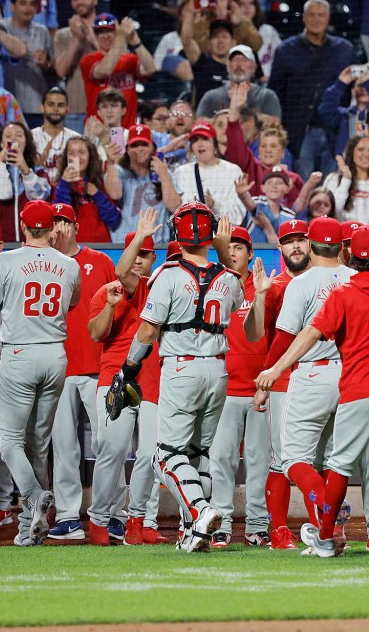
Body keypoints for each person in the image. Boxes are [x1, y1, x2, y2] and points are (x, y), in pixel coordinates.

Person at [255, 202, 369, 560]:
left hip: (337, 379)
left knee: (307, 461)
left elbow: (303, 336)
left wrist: (274, 371)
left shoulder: (333, 290)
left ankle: (327, 532)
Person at [0, 200, 81, 546]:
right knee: (36, 445)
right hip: (55, 355)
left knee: (8, 442)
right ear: (52, 228)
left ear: (24, 227)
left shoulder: (4, 260)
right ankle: (28, 529)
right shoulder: (69, 265)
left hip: (20, 355)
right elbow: (72, 304)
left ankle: (35, 496)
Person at [121, 202, 243, 552]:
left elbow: (147, 330)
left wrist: (129, 367)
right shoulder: (228, 277)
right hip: (218, 369)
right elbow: (234, 303)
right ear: (210, 235)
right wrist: (223, 254)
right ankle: (195, 533)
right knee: (198, 454)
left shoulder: (168, 273)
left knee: (166, 455)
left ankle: (201, 511)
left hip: (181, 366)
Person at [86, 212, 166, 546]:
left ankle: (140, 521)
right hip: (114, 378)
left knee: (150, 454)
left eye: (146, 254)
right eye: (137, 252)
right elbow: (95, 334)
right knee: (113, 450)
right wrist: (108, 306)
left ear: (153, 259)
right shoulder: (110, 289)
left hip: (151, 379)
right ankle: (99, 520)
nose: (139, 261)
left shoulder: (156, 288)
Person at [46, 203, 118, 542]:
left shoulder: (100, 261)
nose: (60, 228)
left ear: (77, 227)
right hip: (57, 368)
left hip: (97, 368)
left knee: (110, 443)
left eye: (65, 222)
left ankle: (112, 514)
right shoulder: (42, 265)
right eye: (54, 222)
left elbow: (117, 311)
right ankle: (67, 516)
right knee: (63, 447)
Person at [243, 218, 312, 549]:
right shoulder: (276, 286)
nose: (296, 245)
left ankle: (323, 525)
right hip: (285, 380)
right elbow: (256, 334)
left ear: (311, 244)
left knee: (324, 456)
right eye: (290, 240)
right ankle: (280, 530)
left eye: (302, 239)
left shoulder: (324, 280)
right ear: (280, 248)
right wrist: (259, 297)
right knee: (280, 458)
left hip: (323, 376)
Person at [208, 224, 271, 547]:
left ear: (250, 254)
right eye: (227, 247)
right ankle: (221, 522)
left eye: (238, 247)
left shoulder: (265, 286)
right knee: (221, 459)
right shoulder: (213, 284)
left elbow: (274, 338)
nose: (232, 252)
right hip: (224, 389)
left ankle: (258, 524)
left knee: (260, 461)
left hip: (260, 389)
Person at [268, 0, 356, 175]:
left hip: (334, 133)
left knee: (330, 192)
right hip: (299, 134)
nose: (316, 19)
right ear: (304, 18)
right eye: (312, 14)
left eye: (321, 15)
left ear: (328, 18)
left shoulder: (344, 50)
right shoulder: (285, 51)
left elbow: (353, 91)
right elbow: (275, 94)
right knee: (302, 189)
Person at [225, 84, 307, 208]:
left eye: (273, 146)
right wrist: (234, 110)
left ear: (282, 151)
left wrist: (290, 191)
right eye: (263, 146)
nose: (268, 150)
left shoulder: (294, 179)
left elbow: (299, 211)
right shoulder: (250, 168)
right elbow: (235, 145)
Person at [80, 13, 156, 130]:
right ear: (95, 35)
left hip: (127, 130)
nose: (106, 36)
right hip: (98, 132)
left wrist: (136, 42)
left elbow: (150, 69)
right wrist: (121, 36)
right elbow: (106, 70)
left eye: (110, 31)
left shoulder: (130, 59)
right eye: (101, 32)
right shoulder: (88, 60)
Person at [0, 0, 53, 125]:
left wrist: (45, 64)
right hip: (5, 105)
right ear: (12, 6)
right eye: (23, 3)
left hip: (35, 106)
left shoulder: (42, 32)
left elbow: (53, 72)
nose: (28, 8)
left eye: (32, 4)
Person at [112, 123, 180, 243]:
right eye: (134, 145)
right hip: (124, 244)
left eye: (144, 144)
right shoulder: (119, 172)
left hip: (158, 246)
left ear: (153, 148)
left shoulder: (165, 173)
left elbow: (175, 207)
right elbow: (115, 194)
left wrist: (163, 173)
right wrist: (111, 162)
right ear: (127, 150)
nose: (140, 149)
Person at [0, 121, 51, 241]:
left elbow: (39, 198)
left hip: (32, 243)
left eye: (19, 135)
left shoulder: (40, 172)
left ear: (26, 142)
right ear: (1, 143)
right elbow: (3, 194)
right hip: (1, 244)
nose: (14, 139)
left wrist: (25, 169)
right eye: (8, 136)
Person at [173, 121, 245, 225]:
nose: (200, 144)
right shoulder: (181, 172)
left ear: (215, 144)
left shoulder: (232, 171)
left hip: (222, 236)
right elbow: (175, 211)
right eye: (195, 140)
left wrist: (215, 206)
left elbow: (238, 215)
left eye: (205, 139)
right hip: (190, 237)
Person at [53, 135, 122, 243]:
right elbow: (59, 220)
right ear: (66, 157)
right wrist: (64, 184)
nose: (77, 157)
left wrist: (96, 194)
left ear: (90, 157)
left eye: (81, 152)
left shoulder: (100, 183)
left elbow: (114, 219)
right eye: (72, 153)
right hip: (69, 249)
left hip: (100, 249)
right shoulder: (58, 185)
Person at [53, 0, 102, 131]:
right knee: (76, 154)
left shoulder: (108, 31)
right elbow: (61, 71)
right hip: (76, 110)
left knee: (113, 153)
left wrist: (91, 36)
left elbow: (114, 64)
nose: (79, 1)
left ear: (95, 0)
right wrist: (76, 38)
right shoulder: (63, 35)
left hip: (108, 108)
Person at [319, 68, 369, 156]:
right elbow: (325, 111)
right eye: (360, 85)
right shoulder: (344, 116)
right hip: (346, 166)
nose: (364, 89)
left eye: (367, 86)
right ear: (352, 90)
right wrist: (340, 85)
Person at [195, 44, 282, 121]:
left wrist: (244, 110)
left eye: (244, 60)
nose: (238, 64)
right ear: (228, 66)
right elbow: (199, 123)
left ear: (254, 67)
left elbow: (275, 123)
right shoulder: (211, 97)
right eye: (234, 60)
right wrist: (228, 116)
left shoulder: (267, 96)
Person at [32, 87, 82, 184]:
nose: (55, 109)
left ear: (67, 108)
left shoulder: (76, 139)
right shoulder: (30, 138)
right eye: (51, 105)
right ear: (42, 107)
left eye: (61, 105)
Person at [234, 0, 281, 81]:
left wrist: (270, 75)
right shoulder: (231, 32)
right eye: (242, 4)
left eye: (251, 3)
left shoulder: (268, 30)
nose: (247, 7)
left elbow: (280, 56)